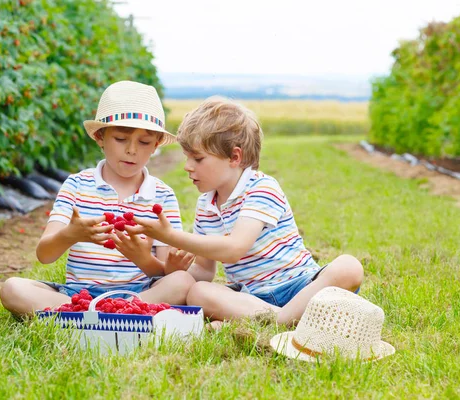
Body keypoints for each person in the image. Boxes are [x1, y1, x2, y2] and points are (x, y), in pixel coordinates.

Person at [126, 96, 364, 328]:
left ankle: (278, 321)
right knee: (198, 292)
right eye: (188, 158)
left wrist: (169, 236)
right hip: (250, 298)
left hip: (301, 286)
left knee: (349, 267)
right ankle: (290, 320)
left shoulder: (261, 188)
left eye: (198, 159)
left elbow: (234, 249)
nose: (188, 166)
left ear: (234, 157)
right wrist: (175, 270)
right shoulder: (205, 206)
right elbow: (205, 272)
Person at [0, 81, 196, 317]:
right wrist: (70, 234)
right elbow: (45, 255)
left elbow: (166, 273)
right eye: (121, 139)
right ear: (100, 137)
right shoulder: (76, 185)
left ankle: (86, 318)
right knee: (12, 288)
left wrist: (143, 259)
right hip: (77, 294)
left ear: (155, 145)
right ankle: (113, 316)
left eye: (144, 142)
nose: (132, 150)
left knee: (183, 282)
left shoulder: (162, 196)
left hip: (140, 293)